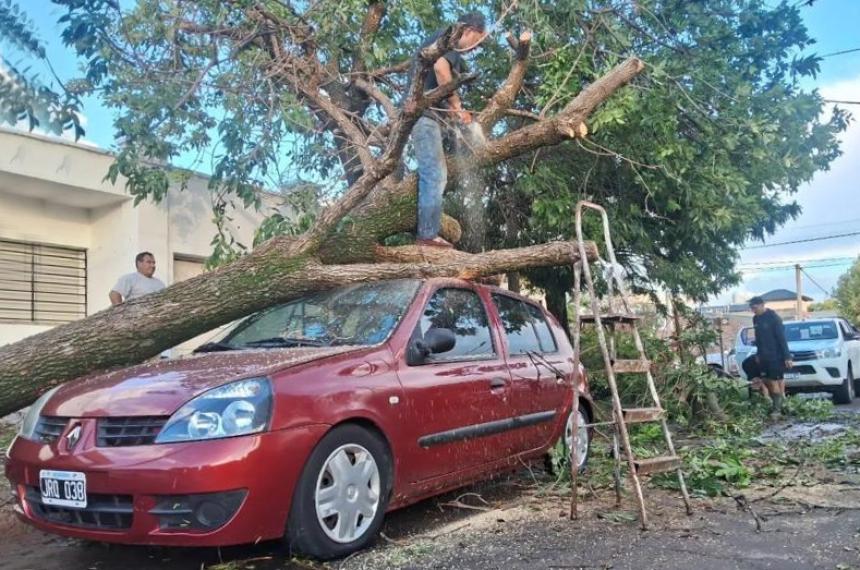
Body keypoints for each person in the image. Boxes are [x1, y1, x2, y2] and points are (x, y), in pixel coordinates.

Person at [408, 12, 488, 248]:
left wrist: (456, 114)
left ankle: (427, 231)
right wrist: (457, 107)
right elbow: (442, 70)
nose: (475, 48)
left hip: (430, 115)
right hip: (423, 116)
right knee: (435, 173)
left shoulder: (447, 45)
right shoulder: (450, 39)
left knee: (436, 172)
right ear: (469, 30)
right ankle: (427, 236)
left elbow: (449, 81)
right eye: (477, 41)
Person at [747, 296, 793, 416]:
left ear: (762, 305)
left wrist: (787, 357)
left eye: (755, 307)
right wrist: (758, 354)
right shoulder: (755, 319)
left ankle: (777, 409)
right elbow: (759, 338)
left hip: (775, 356)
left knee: (774, 382)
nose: (753, 310)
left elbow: (782, 338)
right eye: (751, 308)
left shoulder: (774, 318)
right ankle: (780, 405)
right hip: (763, 356)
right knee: (767, 381)